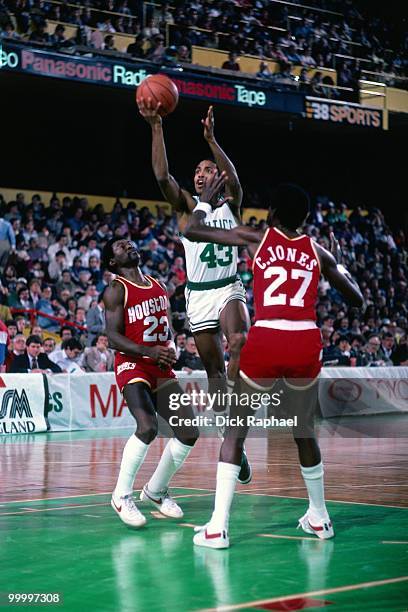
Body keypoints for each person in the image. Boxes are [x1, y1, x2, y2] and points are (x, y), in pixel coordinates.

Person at [184, 179, 363, 549]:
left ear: (273, 214)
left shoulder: (258, 238)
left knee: (236, 431)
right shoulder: (317, 251)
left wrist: (202, 202)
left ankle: (218, 528)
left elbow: (195, 230)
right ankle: (320, 517)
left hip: (268, 337)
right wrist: (341, 266)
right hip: (304, 341)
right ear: (307, 218)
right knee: (304, 431)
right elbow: (357, 299)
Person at [138, 101, 251, 483]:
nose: (200, 175)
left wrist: (212, 140)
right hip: (199, 294)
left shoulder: (232, 203)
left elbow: (234, 178)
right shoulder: (189, 207)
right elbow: (161, 176)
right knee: (213, 367)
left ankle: (236, 418)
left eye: (206, 170)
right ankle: (230, 434)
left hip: (229, 287)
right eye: (197, 171)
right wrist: (156, 127)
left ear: (216, 175)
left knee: (238, 338)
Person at [102, 238, 199, 528]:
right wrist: (148, 351)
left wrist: (170, 350)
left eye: (130, 242)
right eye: (121, 246)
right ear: (112, 262)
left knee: (189, 431)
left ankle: (155, 490)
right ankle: (121, 495)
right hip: (133, 363)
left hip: (159, 363)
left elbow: (165, 326)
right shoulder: (116, 289)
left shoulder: (157, 284)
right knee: (147, 426)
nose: (129, 245)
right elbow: (112, 337)